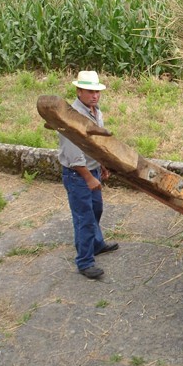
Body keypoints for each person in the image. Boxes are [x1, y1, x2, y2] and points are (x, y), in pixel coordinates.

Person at [58, 70, 119, 279]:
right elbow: (74, 156)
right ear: (78, 91)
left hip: (92, 169)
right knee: (84, 217)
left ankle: (96, 244)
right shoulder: (71, 119)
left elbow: (97, 143)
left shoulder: (95, 111)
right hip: (78, 175)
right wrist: (88, 177)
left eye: (97, 91)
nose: (94, 95)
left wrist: (101, 164)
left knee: (96, 209)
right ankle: (85, 261)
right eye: (89, 91)